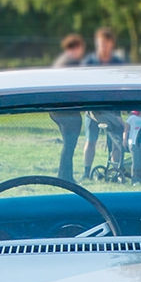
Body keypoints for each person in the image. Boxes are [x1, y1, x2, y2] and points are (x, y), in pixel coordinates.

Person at [82, 27, 127, 180]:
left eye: (106, 44)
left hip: (112, 109)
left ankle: (114, 172)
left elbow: (121, 88)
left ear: (111, 44)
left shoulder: (118, 63)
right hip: (93, 109)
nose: (103, 47)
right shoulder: (89, 62)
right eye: (100, 43)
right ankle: (86, 173)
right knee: (91, 140)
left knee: (116, 140)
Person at [49, 34, 86, 182]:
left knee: (68, 144)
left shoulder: (62, 61)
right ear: (76, 47)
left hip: (58, 110)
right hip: (66, 111)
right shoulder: (70, 63)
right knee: (70, 145)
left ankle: (65, 174)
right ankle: (65, 176)